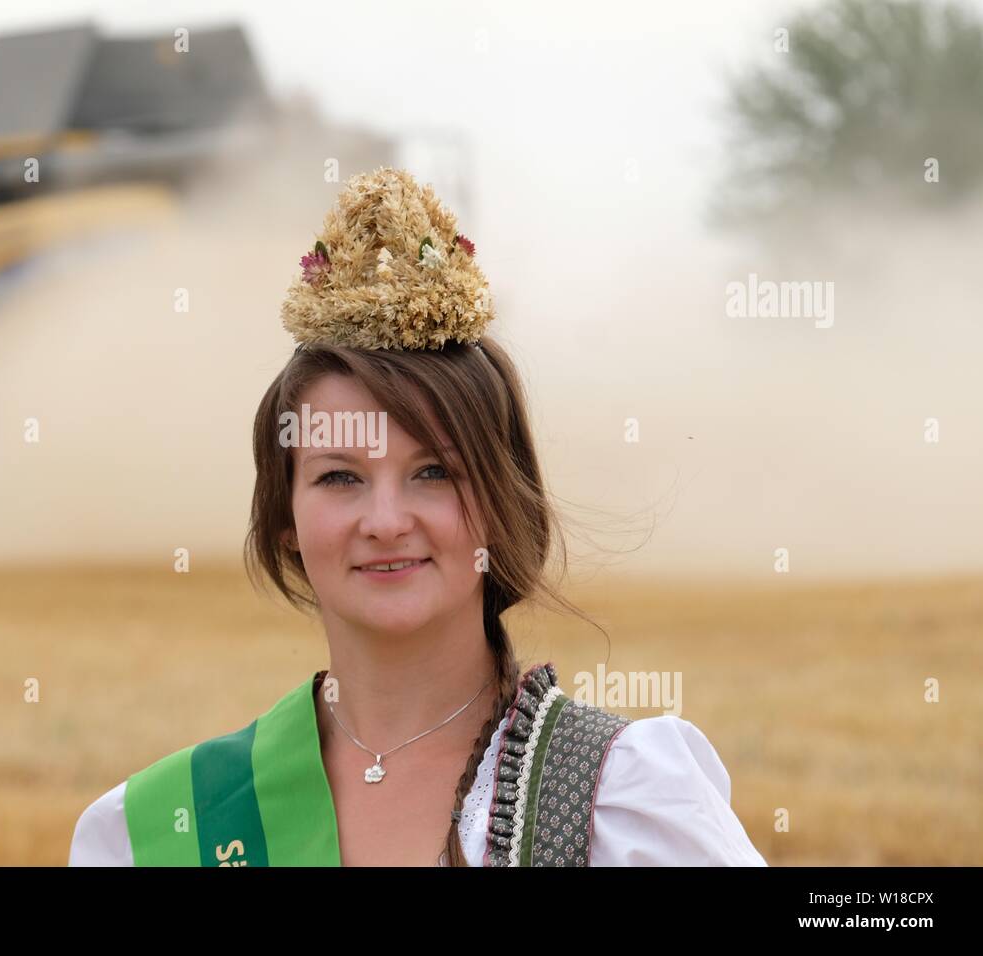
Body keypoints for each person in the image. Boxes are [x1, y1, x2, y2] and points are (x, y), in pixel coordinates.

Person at [70, 167, 767, 866]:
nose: (385, 519)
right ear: (286, 516)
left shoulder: (626, 800)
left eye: (433, 473)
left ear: (500, 498)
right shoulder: (159, 829)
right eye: (340, 477)